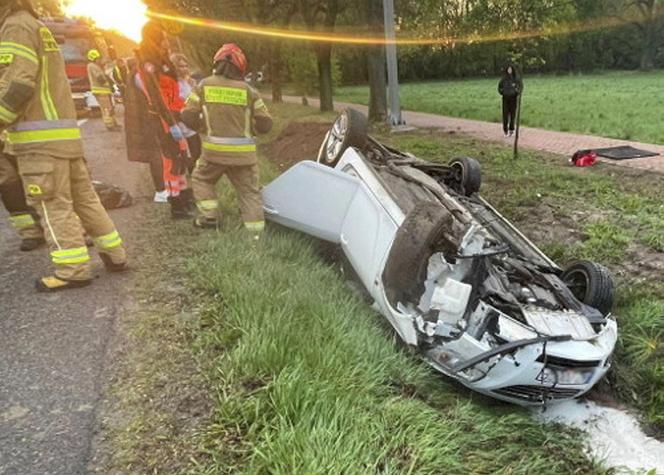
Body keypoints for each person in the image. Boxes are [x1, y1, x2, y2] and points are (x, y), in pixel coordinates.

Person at [0, 0, 127, 291]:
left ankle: (72, 270)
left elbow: (18, 84)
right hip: (63, 136)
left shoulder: (14, 27)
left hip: (38, 140)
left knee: (52, 204)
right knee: (85, 200)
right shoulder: (35, 25)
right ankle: (115, 254)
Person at [180, 43, 272, 235]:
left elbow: (187, 116)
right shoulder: (249, 91)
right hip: (244, 157)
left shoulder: (203, 86)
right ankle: (255, 234)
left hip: (213, 154)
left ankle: (209, 217)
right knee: (249, 193)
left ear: (217, 63)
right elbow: (265, 124)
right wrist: (251, 128)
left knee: (202, 179)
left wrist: (202, 127)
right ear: (241, 67)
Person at [135, 21, 192, 218]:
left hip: (176, 115)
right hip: (163, 119)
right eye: (163, 38)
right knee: (172, 162)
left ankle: (184, 197)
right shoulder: (148, 62)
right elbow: (156, 96)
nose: (166, 42)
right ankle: (176, 204)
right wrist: (170, 123)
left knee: (181, 159)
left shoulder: (162, 61)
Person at [0, 148, 44, 250]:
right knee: (9, 186)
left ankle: (57, 227)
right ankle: (29, 232)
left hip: (22, 140)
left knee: (36, 179)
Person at [170, 52, 201, 173]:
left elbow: (194, 99)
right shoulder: (173, 84)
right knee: (188, 153)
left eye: (186, 65)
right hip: (181, 122)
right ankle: (190, 175)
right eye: (181, 66)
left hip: (191, 121)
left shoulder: (187, 81)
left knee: (197, 151)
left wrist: (194, 88)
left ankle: (194, 173)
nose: (184, 68)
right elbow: (177, 102)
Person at [87, 49, 120, 131]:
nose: (99, 60)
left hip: (104, 91)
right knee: (106, 109)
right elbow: (100, 78)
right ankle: (110, 125)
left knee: (110, 108)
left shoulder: (95, 66)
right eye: (98, 58)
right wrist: (107, 81)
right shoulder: (92, 66)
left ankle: (114, 123)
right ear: (94, 58)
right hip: (100, 91)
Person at [498, 64, 523, 137]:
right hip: (505, 99)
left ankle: (511, 129)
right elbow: (499, 87)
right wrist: (502, 92)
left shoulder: (516, 79)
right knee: (505, 114)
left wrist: (516, 92)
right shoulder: (503, 79)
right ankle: (505, 129)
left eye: (511, 69)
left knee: (512, 114)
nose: (509, 70)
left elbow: (520, 87)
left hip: (513, 99)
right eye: (508, 69)